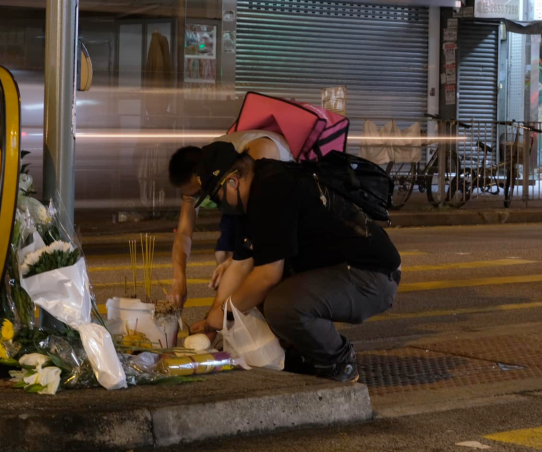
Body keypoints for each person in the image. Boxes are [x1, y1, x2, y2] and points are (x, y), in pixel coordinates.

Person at [189, 142, 401, 382]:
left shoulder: (271, 190)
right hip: (346, 270)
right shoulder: (255, 191)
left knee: (281, 305)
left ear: (232, 181)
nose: (219, 206)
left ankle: (339, 361)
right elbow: (241, 265)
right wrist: (212, 319)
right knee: (254, 294)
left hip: (373, 276)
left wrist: (225, 313)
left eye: (217, 198)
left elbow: (267, 277)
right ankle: (303, 354)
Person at [167, 130, 293, 308]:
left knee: (266, 284)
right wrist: (178, 280)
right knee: (232, 269)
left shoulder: (256, 158)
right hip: (242, 203)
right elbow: (183, 233)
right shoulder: (206, 176)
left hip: (282, 202)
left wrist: (237, 260)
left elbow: (259, 234)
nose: (198, 200)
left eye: (199, 194)